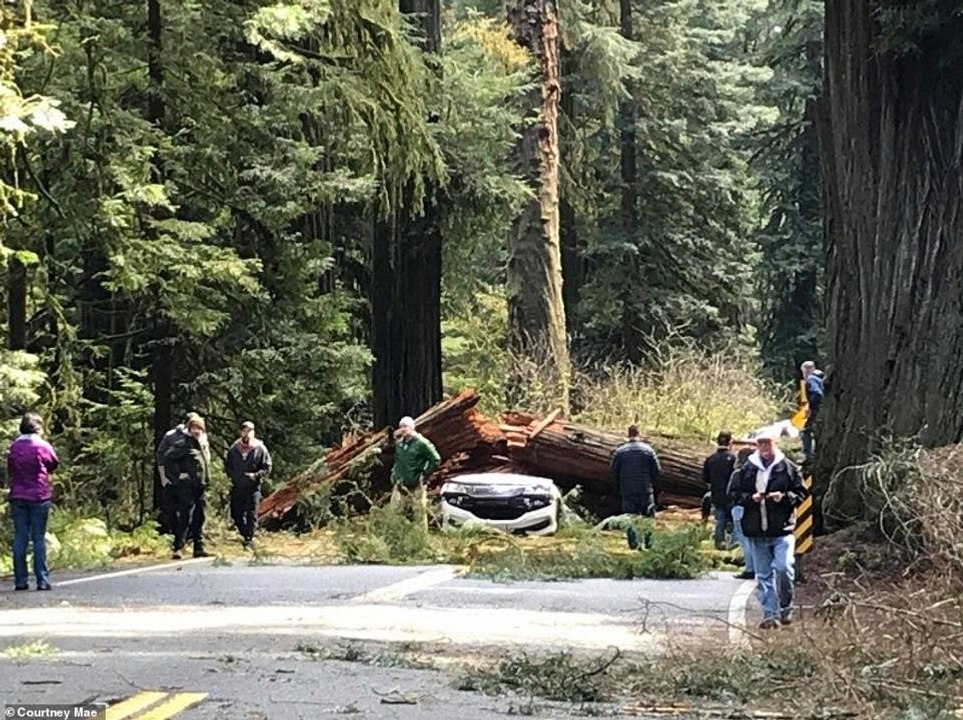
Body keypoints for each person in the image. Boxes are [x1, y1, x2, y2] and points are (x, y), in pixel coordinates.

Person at [729, 430, 808, 629]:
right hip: (756, 529)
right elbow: (735, 494)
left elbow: (800, 492)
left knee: (783, 568)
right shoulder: (747, 469)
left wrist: (784, 497)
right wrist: (750, 499)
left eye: (768, 443)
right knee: (763, 575)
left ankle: (785, 606)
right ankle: (769, 615)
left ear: (775, 443)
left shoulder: (787, 467)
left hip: (782, 529)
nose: (764, 447)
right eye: (761, 444)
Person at [6, 413, 59, 591]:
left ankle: (20, 581)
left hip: (18, 496)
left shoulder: (14, 446)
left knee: (20, 537)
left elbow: (11, 468)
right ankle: (42, 580)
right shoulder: (42, 445)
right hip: (39, 496)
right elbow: (53, 463)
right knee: (38, 537)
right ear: (38, 427)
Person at [164, 415, 212, 559]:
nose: (196, 431)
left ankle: (198, 547)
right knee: (185, 516)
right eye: (193, 428)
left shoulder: (202, 444)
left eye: (199, 428)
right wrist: (177, 476)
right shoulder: (184, 444)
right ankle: (178, 547)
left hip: (200, 486)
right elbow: (168, 458)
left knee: (200, 516)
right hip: (187, 487)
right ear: (189, 429)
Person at [224, 421, 272, 548]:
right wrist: (234, 476)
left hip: (253, 487)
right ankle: (244, 533)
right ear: (241, 432)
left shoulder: (260, 448)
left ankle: (249, 539)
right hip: (238, 486)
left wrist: (255, 475)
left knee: (251, 514)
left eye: (249, 431)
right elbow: (228, 466)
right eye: (244, 431)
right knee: (236, 513)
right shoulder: (234, 448)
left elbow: (267, 467)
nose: (247, 434)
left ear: (253, 432)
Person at [390, 416, 441, 531]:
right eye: (401, 427)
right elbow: (397, 460)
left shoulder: (421, 443)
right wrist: (394, 472)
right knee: (395, 512)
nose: (403, 429)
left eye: (405, 427)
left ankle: (420, 539)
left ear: (412, 428)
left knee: (419, 514)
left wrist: (424, 473)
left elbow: (436, 459)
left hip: (416, 485)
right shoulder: (399, 443)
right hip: (400, 484)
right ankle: (396, 537)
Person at [155, 412, 201, 534]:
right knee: (172, 509)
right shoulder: (171, 436)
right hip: (173, 479)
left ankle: (189, 537)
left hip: (191, 482)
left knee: (192, 510)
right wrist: (164, 477)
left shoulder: (200, 436)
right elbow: (162, 456)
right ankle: (174, 534)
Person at [702, 431, 735, 550]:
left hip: (716, 494)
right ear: (730, 441)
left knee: (720, 520)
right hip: (731, 495)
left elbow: (705, 478)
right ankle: (733, 544)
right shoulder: (732, 458)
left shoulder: (710, 459)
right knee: (732, 520)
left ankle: (719, 543)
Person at [728, 445, 755, 580]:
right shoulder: (759, 472)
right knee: (755, 540)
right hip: (754, 509)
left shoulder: (738, 473)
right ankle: (758, 567)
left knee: (745, 541)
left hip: (739, 508)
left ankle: (750, 569)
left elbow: (731, 492)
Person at [800, 361, 824, 463]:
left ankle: (808, 456)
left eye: (804, 371)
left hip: (817, 409)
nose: (804, 374)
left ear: (807, 370)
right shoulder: (820, 378)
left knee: (805, 431)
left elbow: (817, 394)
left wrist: (811, 407)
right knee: (818, 431)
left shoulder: (811, 379)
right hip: (824, 408)